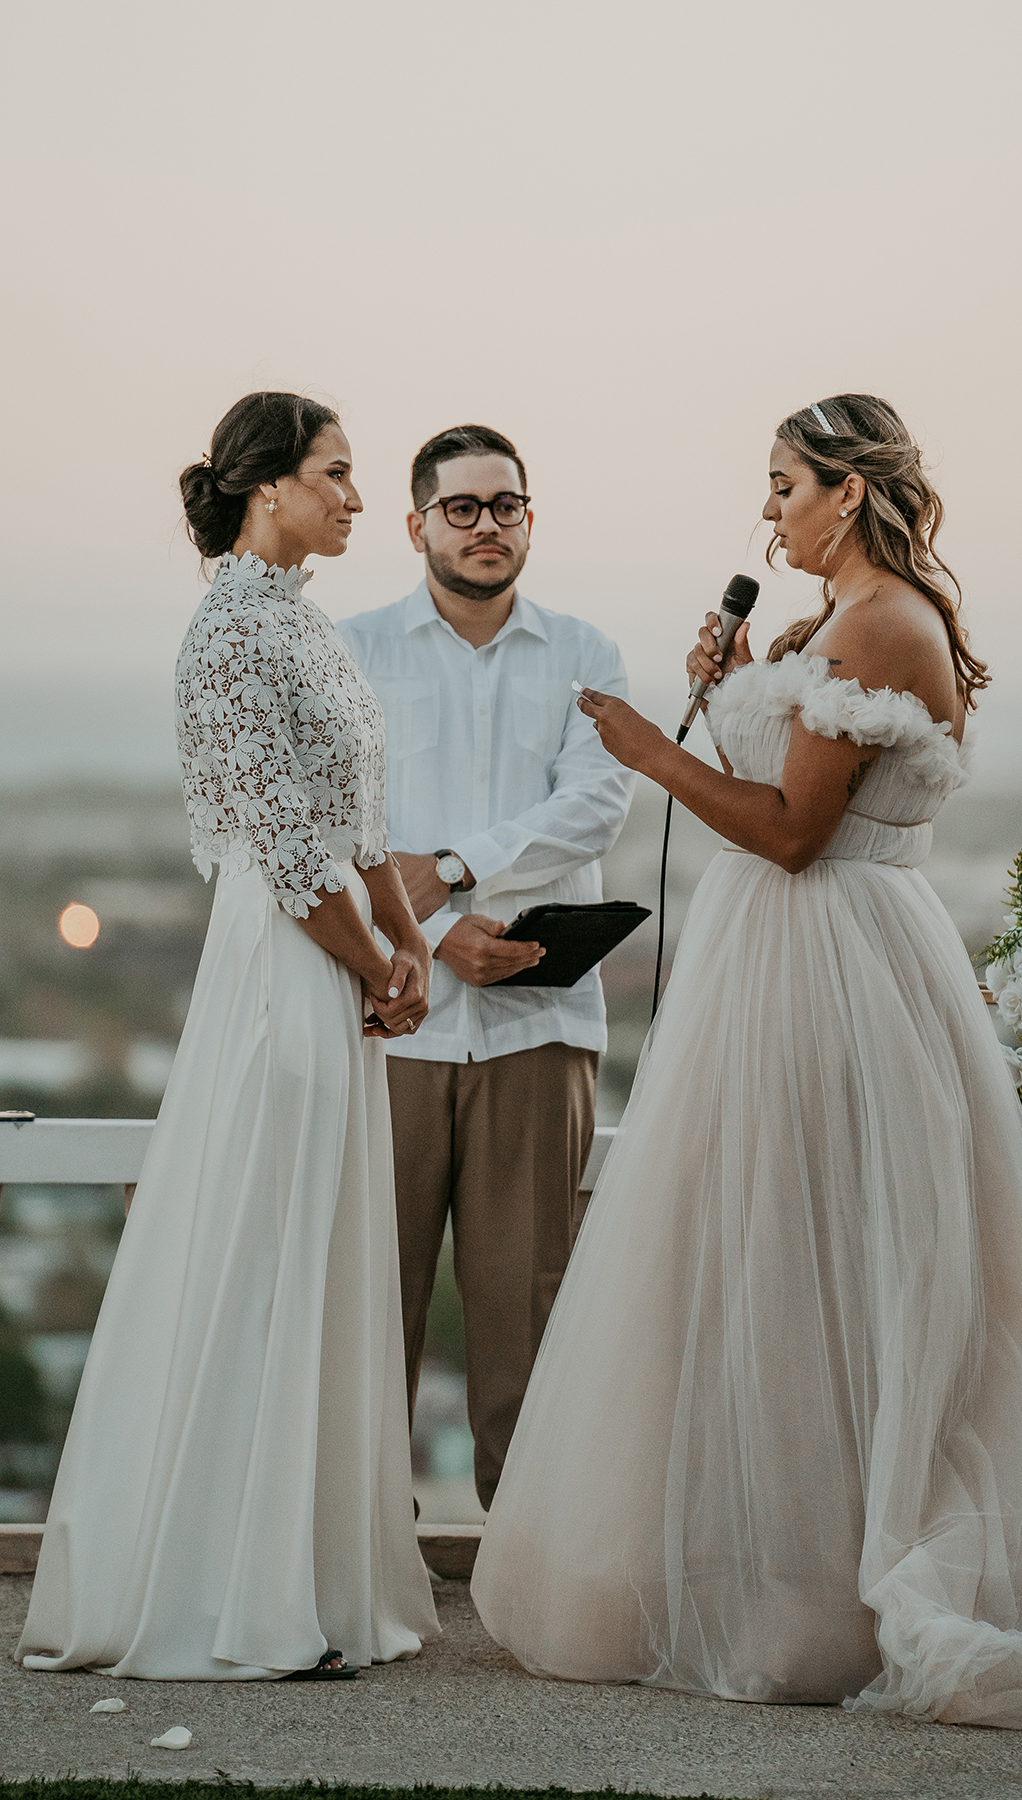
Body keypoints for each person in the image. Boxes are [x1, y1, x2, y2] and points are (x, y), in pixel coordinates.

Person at [472, 394, 1022, 1731]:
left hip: (834, 965)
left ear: (846, 490)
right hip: (785, 961)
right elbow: (774, 794)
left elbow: (790, 837)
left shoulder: (885, 624)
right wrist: (719, 705)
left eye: (782, 485)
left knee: (829, 1253)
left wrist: (653, 752)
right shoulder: (838, 622)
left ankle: (828, 1592)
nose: (765, 510)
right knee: (766, 1258)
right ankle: (773, 1568)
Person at [17, 392, 438, 1681]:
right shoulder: (229, 638)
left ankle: (308, 1575)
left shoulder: (305, 627)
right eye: (339, 474)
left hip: (341, 956)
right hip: (280, 965)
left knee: (316, 1248)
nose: (360, 498)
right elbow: (286, 852)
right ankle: (233, 1589)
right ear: (268, 488)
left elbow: (358, 826)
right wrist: (375, 960)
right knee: (264, 1242)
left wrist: (408, 939)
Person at [339, 424, 634, 1510]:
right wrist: (424, 936)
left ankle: (531, 1571)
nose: (485, 526)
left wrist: (455, 879)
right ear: (416, 523)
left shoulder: (585, 652)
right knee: (373, 1307)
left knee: (529, 1313)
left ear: (529, 519)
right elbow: (337, 818)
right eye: (461, 508)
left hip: (535, 1022)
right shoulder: (353, 648)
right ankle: (364, 1554)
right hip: (387, 1019)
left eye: (504, 505)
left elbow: (594, 804)